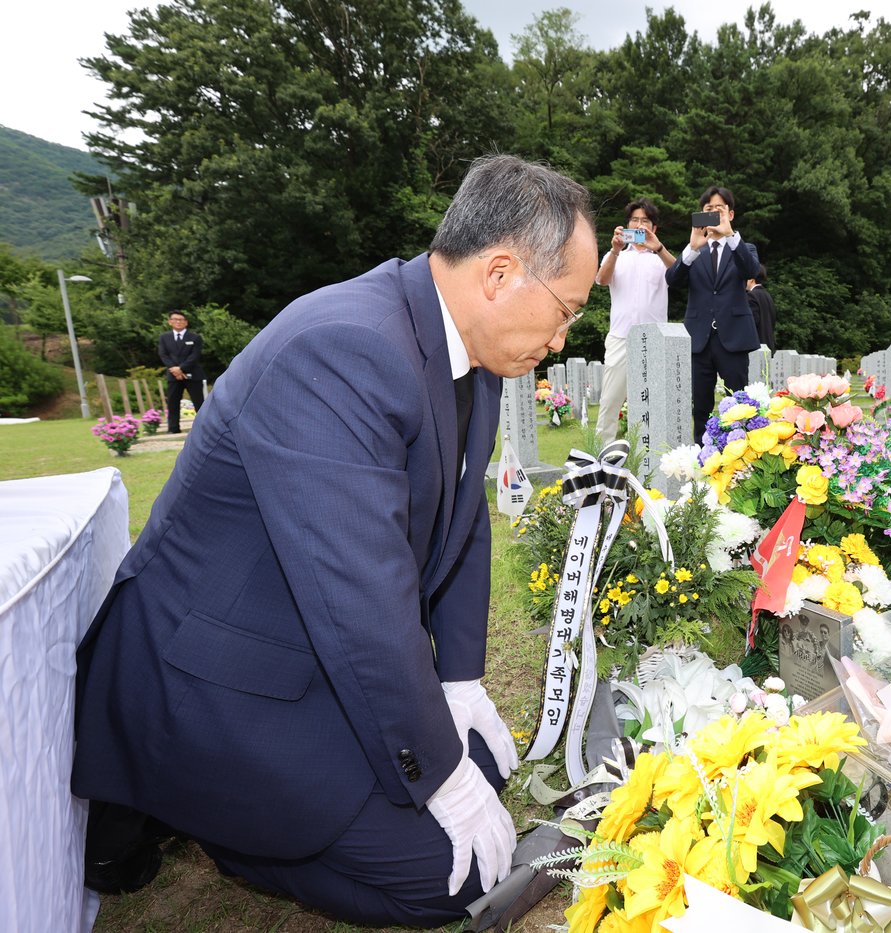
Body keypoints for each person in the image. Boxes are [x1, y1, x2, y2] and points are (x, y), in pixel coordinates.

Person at [72, 155, 599, 927]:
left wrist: (459, 682)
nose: (560, 338)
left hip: (306, 644)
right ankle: (202, 814)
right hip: (220, 677)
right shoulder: (344, 348)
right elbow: (361, 599)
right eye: (565, 310)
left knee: (481, 764)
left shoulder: (474, 356)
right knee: (450, 879)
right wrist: (440, 779)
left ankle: (306, 796)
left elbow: (463, 517)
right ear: (498, 273)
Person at [665, 185, 761, 442]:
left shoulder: (744, 248)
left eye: (719, 209)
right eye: (708, 210)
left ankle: (742, 457)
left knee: (740, 405)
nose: (714, 213)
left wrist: (731, 236)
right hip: (699, 340)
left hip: (734, 338)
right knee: (701, 407)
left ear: (730, 214)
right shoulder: (696, 252)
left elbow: (752, 270)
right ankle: (700, 456)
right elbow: (672, 280)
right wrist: (692, 249)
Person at [595, 198, 674, 444]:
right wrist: (616, 250)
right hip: (621, 336)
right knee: (610, 400)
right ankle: (602, 454)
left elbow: (681, 274)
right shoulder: (616, 254)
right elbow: (601, 279)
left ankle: (652, 452)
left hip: (654, 339)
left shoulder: (660, 259)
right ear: (627, 225)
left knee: (653, 400)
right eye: (635, 220)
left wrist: (658, 248)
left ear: (654, 228)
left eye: (645, 221)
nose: (640, 225)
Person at [157, 310, 205, 433]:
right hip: (173, 376)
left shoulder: (195, 337)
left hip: (192, 374)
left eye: (181, 320)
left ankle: (204, 428)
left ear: (186, 322)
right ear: (170, 322)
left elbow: (195, 356)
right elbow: (163, 355)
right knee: (172, 402)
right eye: (175, 319)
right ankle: (173, 428)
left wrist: (181, 369)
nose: (178, 322)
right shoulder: (164, 337)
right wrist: (175, 370)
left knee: (199, 403)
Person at [746, 263, 776, 350]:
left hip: (756, 347)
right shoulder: (767, 295)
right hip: (768, 345)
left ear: (752, 279)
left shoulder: (751, 296)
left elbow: (752, 324)